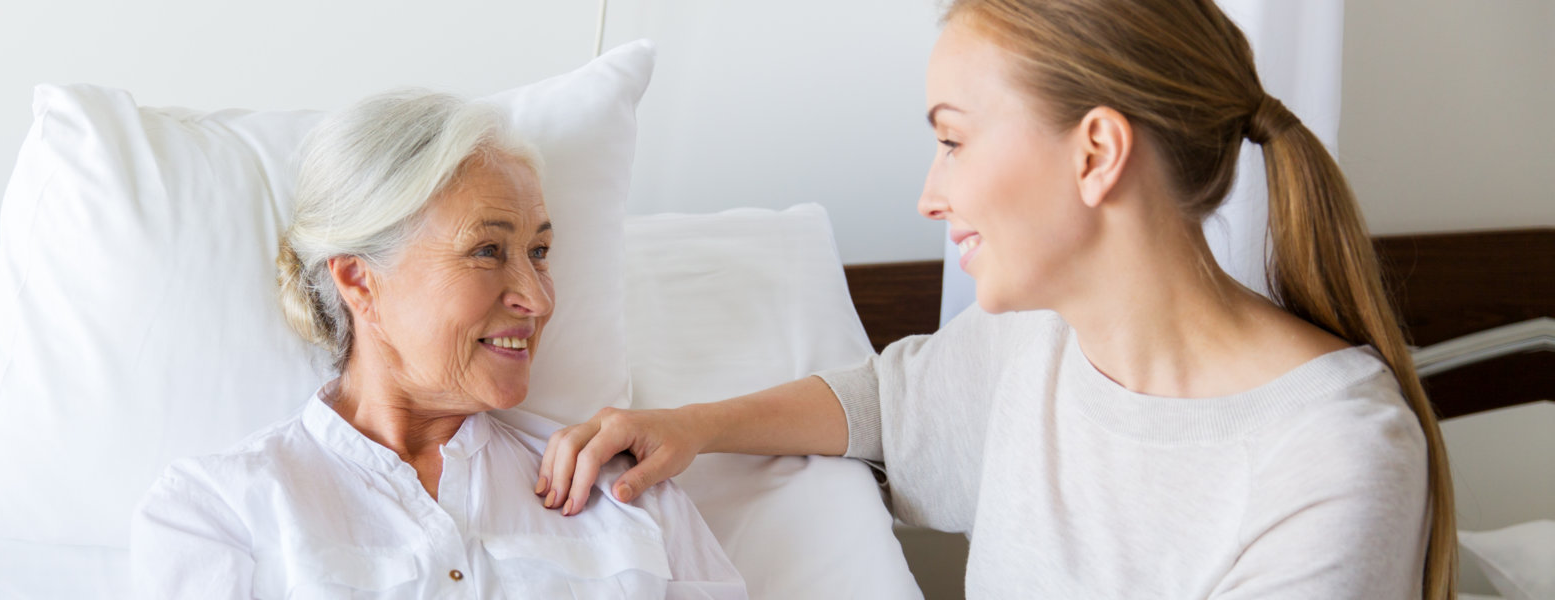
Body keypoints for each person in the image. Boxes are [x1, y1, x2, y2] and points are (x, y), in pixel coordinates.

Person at [538, 1, 1455, 597]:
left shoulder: (1331, 459)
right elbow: (885, 406)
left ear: (1096, 153)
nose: (932, 195)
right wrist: (689, 426)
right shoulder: (1036, 344)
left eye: (956, 141)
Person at [130, 90, 745, 599]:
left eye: (539, 253)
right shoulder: (220, 512)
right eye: (487, 251)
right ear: (359, 280)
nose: (538, 299)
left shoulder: (626, 493)